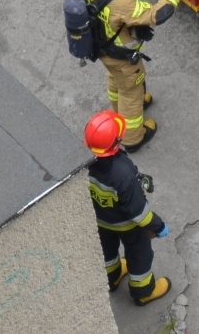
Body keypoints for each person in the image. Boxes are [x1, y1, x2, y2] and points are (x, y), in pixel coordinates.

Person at [75, 0, 185, 151]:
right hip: (122, 58)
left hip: (102, 50)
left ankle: (118, 111)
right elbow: (157, 14)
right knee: (131, 92)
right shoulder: (121, 2)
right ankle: (133, 138)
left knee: (116, 81)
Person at [85, 110, 172, 306]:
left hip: (101, 221)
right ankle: (143, 291)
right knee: (140, 254)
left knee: (107, 250)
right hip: (128, 226)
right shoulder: (122, 174)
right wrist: (158, 226)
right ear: (115, 143)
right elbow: (139, 213)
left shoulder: (85, 163)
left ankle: (112, 277)